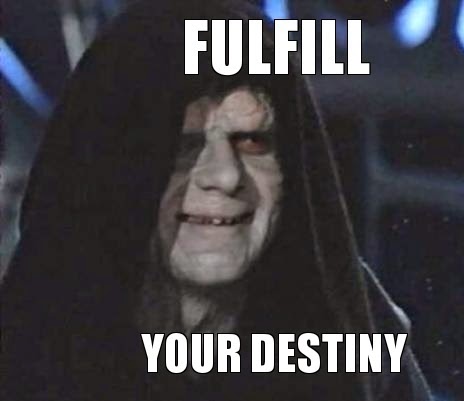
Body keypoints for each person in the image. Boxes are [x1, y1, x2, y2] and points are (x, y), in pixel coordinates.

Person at [0, 0, 432, 400]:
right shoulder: (29, 353)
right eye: (183, 146)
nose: (225, 176)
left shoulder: (354, 325)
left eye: (254, 142)